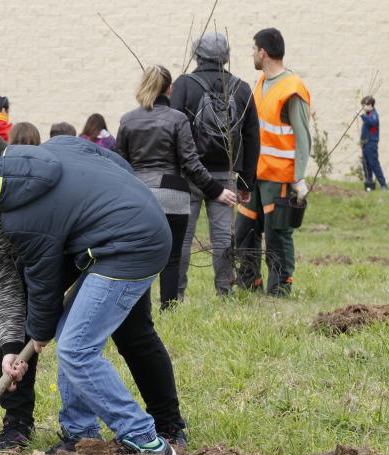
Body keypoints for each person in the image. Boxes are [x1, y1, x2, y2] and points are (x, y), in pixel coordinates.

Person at [0, 141, 188, 453]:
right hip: (80, 255)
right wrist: (13, 348)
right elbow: (6, 286)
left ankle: (164, 425)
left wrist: (119, 209)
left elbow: (111, 165)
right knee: (37, 332)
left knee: (127, 333)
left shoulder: (26, 191)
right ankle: (36, 427)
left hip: (110, 246)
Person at [117, 65, 237, 310]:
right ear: (169, 88)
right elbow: (191, 164)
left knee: (140, 254)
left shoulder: (127, 120)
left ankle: (140, 309)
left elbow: (120, 164)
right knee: (172, 255)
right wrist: (217, 190)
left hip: (139, 196)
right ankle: (169, 306)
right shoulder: (177, 119)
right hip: (172, 194)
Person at [171, 32, 260, 298]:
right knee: (222, 238)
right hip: (225, 178)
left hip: (189, 175)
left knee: (184, 239)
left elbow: (172, 128)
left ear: (196, 55)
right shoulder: (242, 87)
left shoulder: (184, 85)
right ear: (226, 55)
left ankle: (176, 295)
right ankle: (225, 292)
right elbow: (253, 136)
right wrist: (246, 182)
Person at [235, 28, 311, 296]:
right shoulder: (259, 82)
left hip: (279, 176)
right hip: (254, 174)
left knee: (277, 235)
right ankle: (249, 283)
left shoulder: (293, 88)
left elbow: (303, 136)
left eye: (253, 49)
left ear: (263, 53)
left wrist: (299, 178)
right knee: (243, 231)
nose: (252, 54)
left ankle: (280, 288)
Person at [359, 96, 386, 191]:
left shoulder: (373, 115)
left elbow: (372, 123)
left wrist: (362, 116)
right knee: (366, 164)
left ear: (370, 105)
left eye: (364, 105)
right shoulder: (368, 114)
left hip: (371, 144)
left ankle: (383, 185)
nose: (363, 107)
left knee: (373, 164)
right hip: (365, 144)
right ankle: (369, 184)